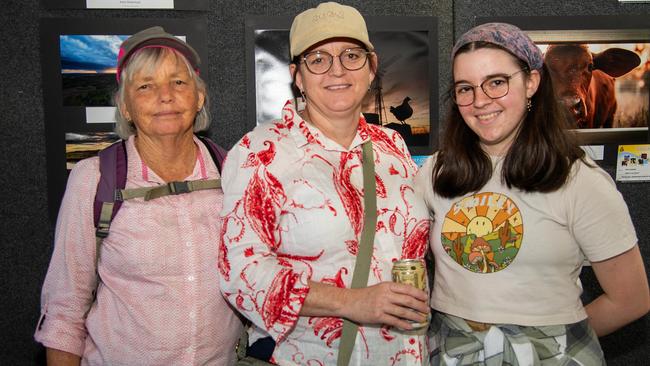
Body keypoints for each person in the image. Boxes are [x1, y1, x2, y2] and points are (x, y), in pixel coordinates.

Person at [414, 22, 650, 365]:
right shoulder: (436, 172)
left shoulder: (579, 179)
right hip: (455, 353)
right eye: (465, 88)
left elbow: (631, 298)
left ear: (532, 83)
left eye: (497, 82)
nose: (480, 101)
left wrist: (552, 343)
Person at [218, 2, 431, 365]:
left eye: (351, 55)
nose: (337, 70)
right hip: (311, 355)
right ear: (297, 76)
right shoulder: (261, 152)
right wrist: (352, 302)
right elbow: (240, 272)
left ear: (371, 67)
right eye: (318, 59)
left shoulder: (392, 146)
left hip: (405, 353)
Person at [34, 26, 243, 365]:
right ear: (126, 106)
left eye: (178, 82)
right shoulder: (94, 180)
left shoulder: (234, 173)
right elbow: (64, 308)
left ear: (199, 97)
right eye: (145, 85)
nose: (165, 95)